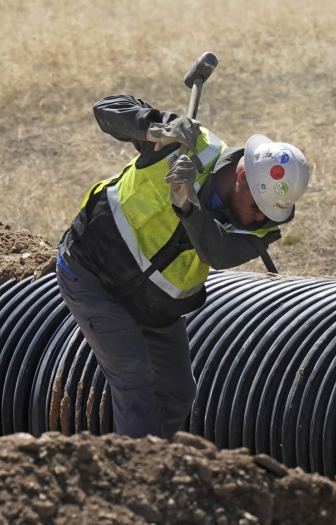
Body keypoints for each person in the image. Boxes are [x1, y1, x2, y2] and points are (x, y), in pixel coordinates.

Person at [55, 95, 310, 439]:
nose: (262, 216)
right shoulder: (190, 145)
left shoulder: (260, 228)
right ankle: (138, 477)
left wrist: (188, 205)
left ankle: (150, 460)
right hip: (93, 274)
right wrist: (153, 130)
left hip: (156, 310)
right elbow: (106, 109)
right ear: (242, 177)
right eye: (259, 204)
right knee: (134, 376)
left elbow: (217, 253)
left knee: (177, 393)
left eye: (271, 210)